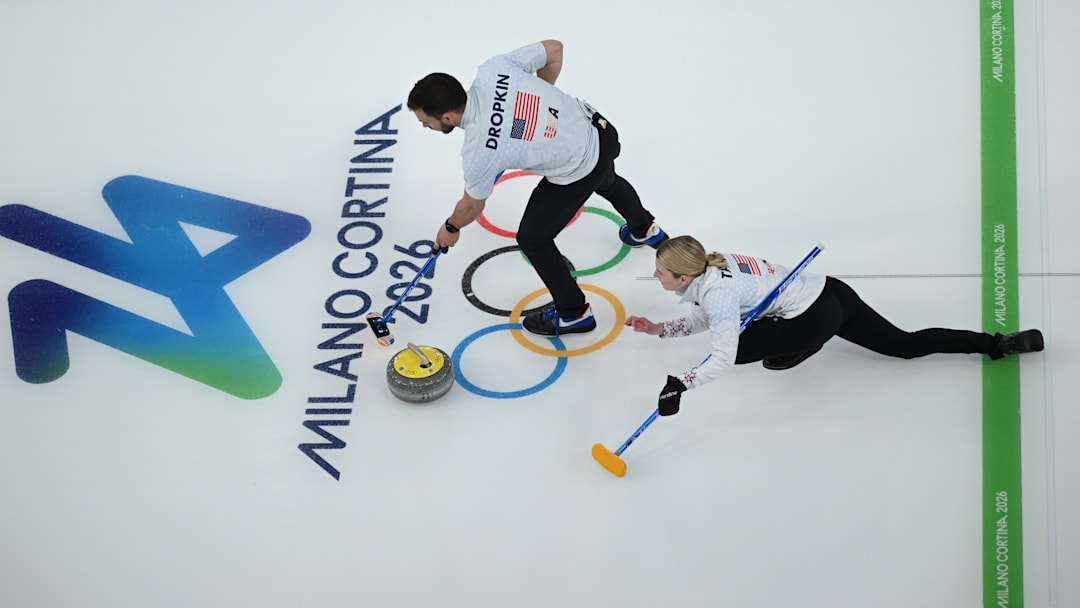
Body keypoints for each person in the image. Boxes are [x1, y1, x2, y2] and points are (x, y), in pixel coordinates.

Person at [407, 40, 667, 337]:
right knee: (606, 178)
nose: (424, 127)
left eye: (426, 122)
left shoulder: (479, 150)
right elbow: (554, 49)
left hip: (578, 166)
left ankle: (574, 313)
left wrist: (451, 227)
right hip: (600, 132)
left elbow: (471, 206)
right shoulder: (494, 70)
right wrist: (543, 102)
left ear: (448, 118)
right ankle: (644, 229)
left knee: (533, 238)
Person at [625, 235, 1045, 416]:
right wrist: (659, 329)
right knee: (905, 344)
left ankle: (801, 346)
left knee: (742, 348)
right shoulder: (712, 262)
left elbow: (723, 353)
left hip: (811, 320)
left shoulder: (717, 294)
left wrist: (682, 382)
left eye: (661, 272)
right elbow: (706, 314)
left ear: (684, 278)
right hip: (832, 294)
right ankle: (999, 343)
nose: (656, 276)